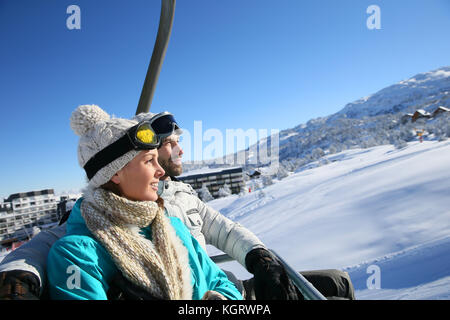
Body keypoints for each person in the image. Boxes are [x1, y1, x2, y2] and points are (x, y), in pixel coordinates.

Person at [0, 109, 355, 300]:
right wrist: (20, 273)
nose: (174, 155)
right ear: (116, 173)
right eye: (162, 149)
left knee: (337, 285)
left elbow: (223, 235)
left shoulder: (171, 214)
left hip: (214, 289)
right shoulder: (87, 235)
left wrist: (259, 257)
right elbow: (46, 245)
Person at [45, 104, 242, 300]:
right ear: (115, 173)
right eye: (149, 161)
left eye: (157, 159)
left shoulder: (173, 227)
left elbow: (220, 282)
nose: (161, 171)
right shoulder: (77, 255)